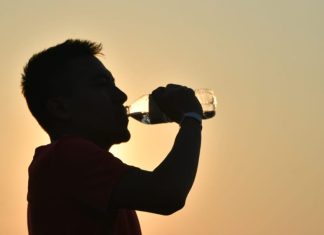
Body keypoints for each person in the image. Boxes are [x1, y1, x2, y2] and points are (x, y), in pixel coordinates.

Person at [21, 39, 204, 235]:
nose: (121, 96)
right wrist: (191, 119)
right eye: (101, 85)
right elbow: (167, 193)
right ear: (60, 108)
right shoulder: (64, 156)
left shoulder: (102, 181)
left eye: (113, 84)